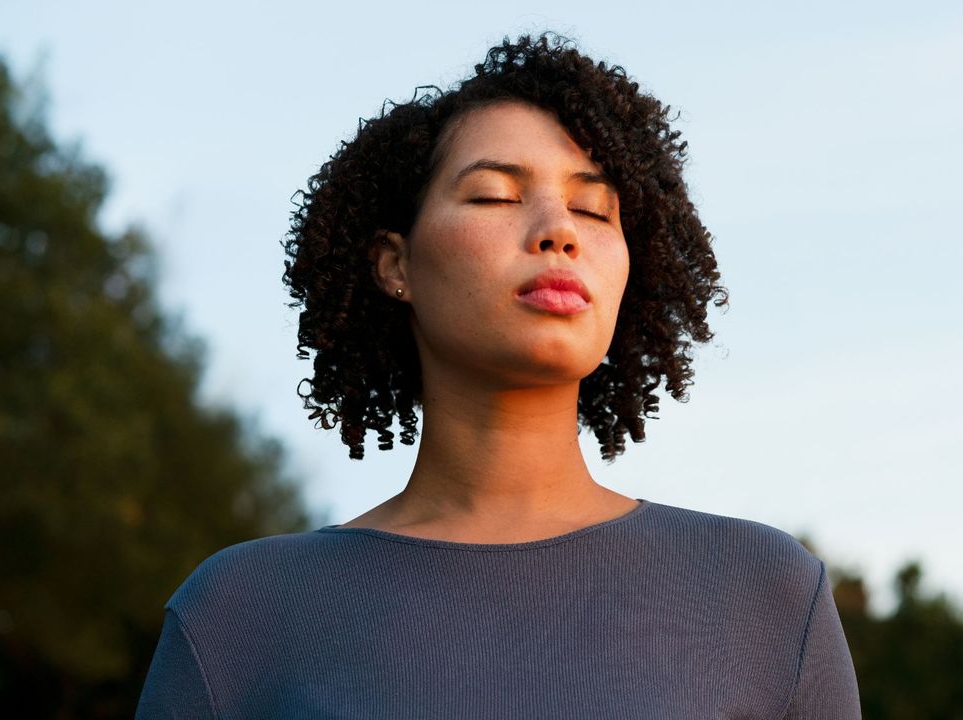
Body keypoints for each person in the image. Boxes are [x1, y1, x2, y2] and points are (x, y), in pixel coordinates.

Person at [136, 34, 860, 719]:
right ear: (396, 265)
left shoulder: (764, 591)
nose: (559, 230)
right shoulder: (238, 614)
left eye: (594, 209)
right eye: (494, 195)